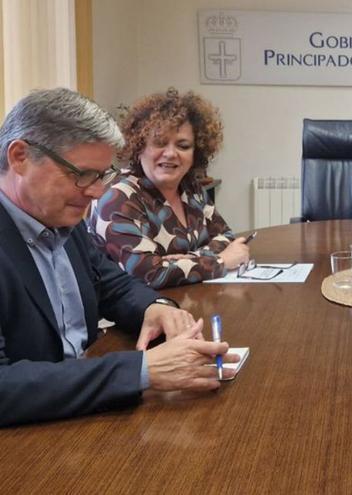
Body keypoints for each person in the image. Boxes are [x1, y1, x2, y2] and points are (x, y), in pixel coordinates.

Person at [0, 88, 238, 427]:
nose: (96, 191)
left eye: (101, 175)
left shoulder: (60, 217)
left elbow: (111, 285)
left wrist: (155, 308)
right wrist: (142, 371)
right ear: (20, 157)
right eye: (81, 174)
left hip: (83, 411)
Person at [89, 88, 249, 289]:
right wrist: (221, 261)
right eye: (159, 143)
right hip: (138, 315)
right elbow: (148, 273)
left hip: (190, 301)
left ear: (196, 153)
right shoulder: (118, 198)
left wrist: (183, 261)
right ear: (139, 148)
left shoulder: (191, 188)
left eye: (183, 146)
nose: (171, 154)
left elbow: (225, 237)